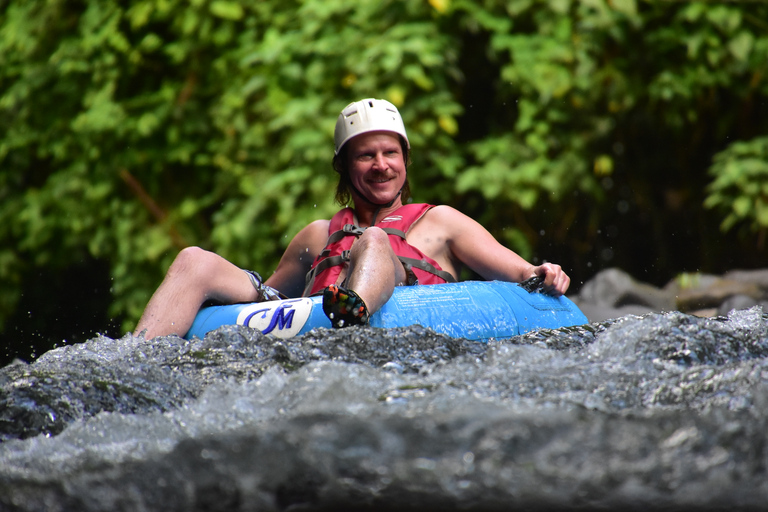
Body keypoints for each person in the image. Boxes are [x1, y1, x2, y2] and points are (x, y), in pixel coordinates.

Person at [134, 98, 570, 338]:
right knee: (194, 257)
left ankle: (353, 315)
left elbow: (518, 270)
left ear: (405, 160)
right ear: (345, 166)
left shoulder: (443, 223)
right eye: (366, 155)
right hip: (315, 323)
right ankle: (135, 360)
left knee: (375, 240)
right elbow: (270, 299)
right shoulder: (316, 235)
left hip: (396, 324)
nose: (381, 165)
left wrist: (541, 272)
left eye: (391, 153)